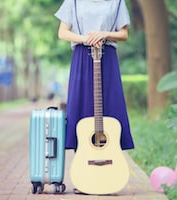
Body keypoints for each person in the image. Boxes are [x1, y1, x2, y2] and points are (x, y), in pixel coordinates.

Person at [54, 0, 134, 151]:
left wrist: (104, 34)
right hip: (82, 57)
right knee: (82, 104)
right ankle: (84, 155)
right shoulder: (74, 2)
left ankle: (111, 152)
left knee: (110, 103)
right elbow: (62, 32)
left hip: (107, 58)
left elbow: (124, 34)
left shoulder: (117, 2)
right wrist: (86, 38)